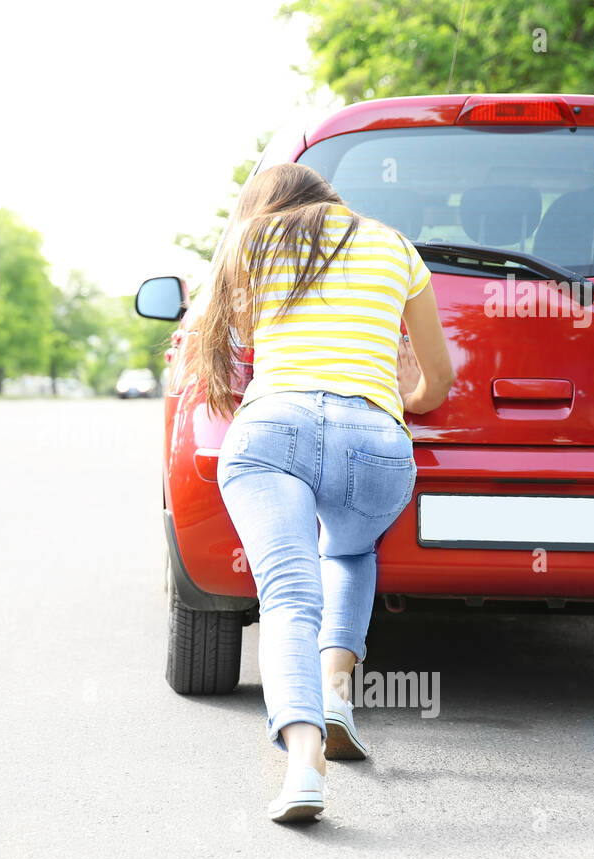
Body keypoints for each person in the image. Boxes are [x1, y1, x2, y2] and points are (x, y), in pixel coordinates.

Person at [185, 163, 454, 823]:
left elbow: (232, 340)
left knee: (286, 595)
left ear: (266, 203)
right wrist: (405, 395)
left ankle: (304, 763)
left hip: (274, 430)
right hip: (376, 443)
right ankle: (336, 695)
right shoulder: (395, 246)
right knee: (352, 553)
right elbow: (436, 381)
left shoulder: (252, 241)